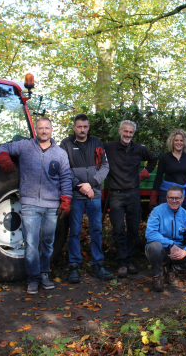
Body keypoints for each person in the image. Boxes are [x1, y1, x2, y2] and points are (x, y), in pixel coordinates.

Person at [0, 117, 72, 294]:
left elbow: (66, 178)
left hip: (51, 206)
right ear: (35, 130)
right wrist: (3, 158)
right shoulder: (24, 146)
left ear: (52, 130)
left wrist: (66, 200)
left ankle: (45, 274)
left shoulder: (60, 154)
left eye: (47, 128)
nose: (44, 131)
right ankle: (33, 279)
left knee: (47, 243)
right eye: (40, 128)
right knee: (31, 243)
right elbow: (4, 147)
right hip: (30, 204)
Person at [59, 114, 113, 283]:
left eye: (85, 127)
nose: (82, 130)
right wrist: (81, 186)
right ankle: (74, 266)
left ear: (88, 127)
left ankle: (97, 264)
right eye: (79, 127)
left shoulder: (96, 142)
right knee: (74, 231)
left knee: (96, 229)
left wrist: (92, 184)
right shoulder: (66, 144)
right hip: (76, 194)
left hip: (94, 194)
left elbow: (105, 166)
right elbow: (65, 169)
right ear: (74, 127)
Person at [104, 120, 158, 278]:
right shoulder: (109, 147)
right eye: (125, 131)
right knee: (119, 230)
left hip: (134, 193)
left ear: (133, 134)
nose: (128, 135)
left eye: (131, 133)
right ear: (120, 131)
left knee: (134, 230)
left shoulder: (139, 149)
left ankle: (129, 260)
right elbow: (94, 151)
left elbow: (153, 160)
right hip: (116, 194)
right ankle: (122, 263)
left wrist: (144, 174)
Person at [145, 186, 186, 292]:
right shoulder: (157, 211)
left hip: (177, 251)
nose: (174, 201)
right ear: (166, 198)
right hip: (160, 248)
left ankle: (170, 270)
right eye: (171, 198)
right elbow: (150, 233)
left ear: (182, 199)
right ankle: (157, 277)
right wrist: (170, 244)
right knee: (155, 247)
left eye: (177, 198)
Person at [150, 129, 186, 215]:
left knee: (183, 221)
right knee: (166, 220)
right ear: (172, 141)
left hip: (185, 196)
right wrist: (153, 197)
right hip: (168, 195)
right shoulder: (164, 158)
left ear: (185, 142)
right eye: (176, 140)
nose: (179, 142)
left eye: (181, 140)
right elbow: (158, 178)